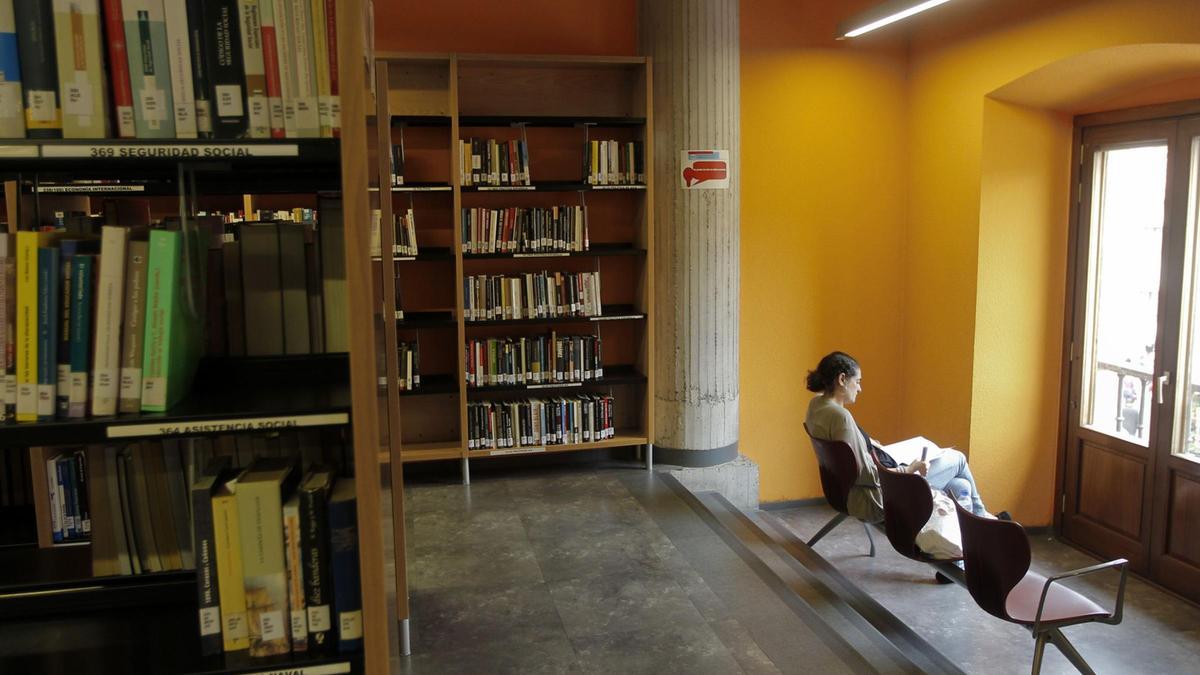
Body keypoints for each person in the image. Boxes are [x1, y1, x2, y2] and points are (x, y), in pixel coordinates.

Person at [804, 351, 997, 524]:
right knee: (959, 460)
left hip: (844, 492)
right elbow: (865, 474)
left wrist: (867, 442)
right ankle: (984, 521)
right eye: (858, 381)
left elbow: (846, 454)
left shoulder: (816, 406)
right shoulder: (841, 417)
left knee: (960, 485)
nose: (860, 389)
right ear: (842, 379)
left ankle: (970, 536)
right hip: (877, 498)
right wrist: (909, 469)